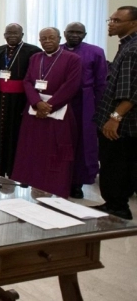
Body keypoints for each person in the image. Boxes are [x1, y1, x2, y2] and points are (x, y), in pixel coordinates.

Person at [11, 27, 81, 198]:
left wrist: (49, 105)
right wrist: (36, 102)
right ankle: (33, 184)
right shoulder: (35, 58)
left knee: (56, 152)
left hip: (58, 113)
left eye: (51, 38)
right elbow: (27, 81)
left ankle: (56, 187)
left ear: (59, 39)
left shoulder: (72, 59)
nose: (47, 41)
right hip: (34, 112)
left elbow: (71, 85)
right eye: (43, 38)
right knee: (33, 150)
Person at [93, 6, 137, 220]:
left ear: (134, 23)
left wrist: (115, 118)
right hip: (115, 119)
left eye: (117, 21)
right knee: (114, 164)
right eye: (110, 20)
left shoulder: (132, 49)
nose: (112, 24)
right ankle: (114, 203)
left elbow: (130, 91)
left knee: (116, 165)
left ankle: (117, 207)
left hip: (121, 123)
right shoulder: (126, 45)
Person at [62, 22, 107, 199]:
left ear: (85, 34)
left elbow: (101, 82)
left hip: (84, 102)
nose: (74, 35)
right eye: (71, 32)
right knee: (59, 140)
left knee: (81, 143)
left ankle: (76, 183)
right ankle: (57, 179)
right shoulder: (56, 50)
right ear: (64, 34)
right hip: (60, 101)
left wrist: (99, 108)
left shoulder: (95, 52)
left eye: (78, 32)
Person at [0, 24, 41, 177]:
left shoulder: (33, 51)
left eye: (16, 33)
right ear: (4, 35)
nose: (12, 35)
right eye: (9, 33)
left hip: (21, 99)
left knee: (18, 134)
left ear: (22, 34)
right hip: (0, 99)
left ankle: (16, 169)